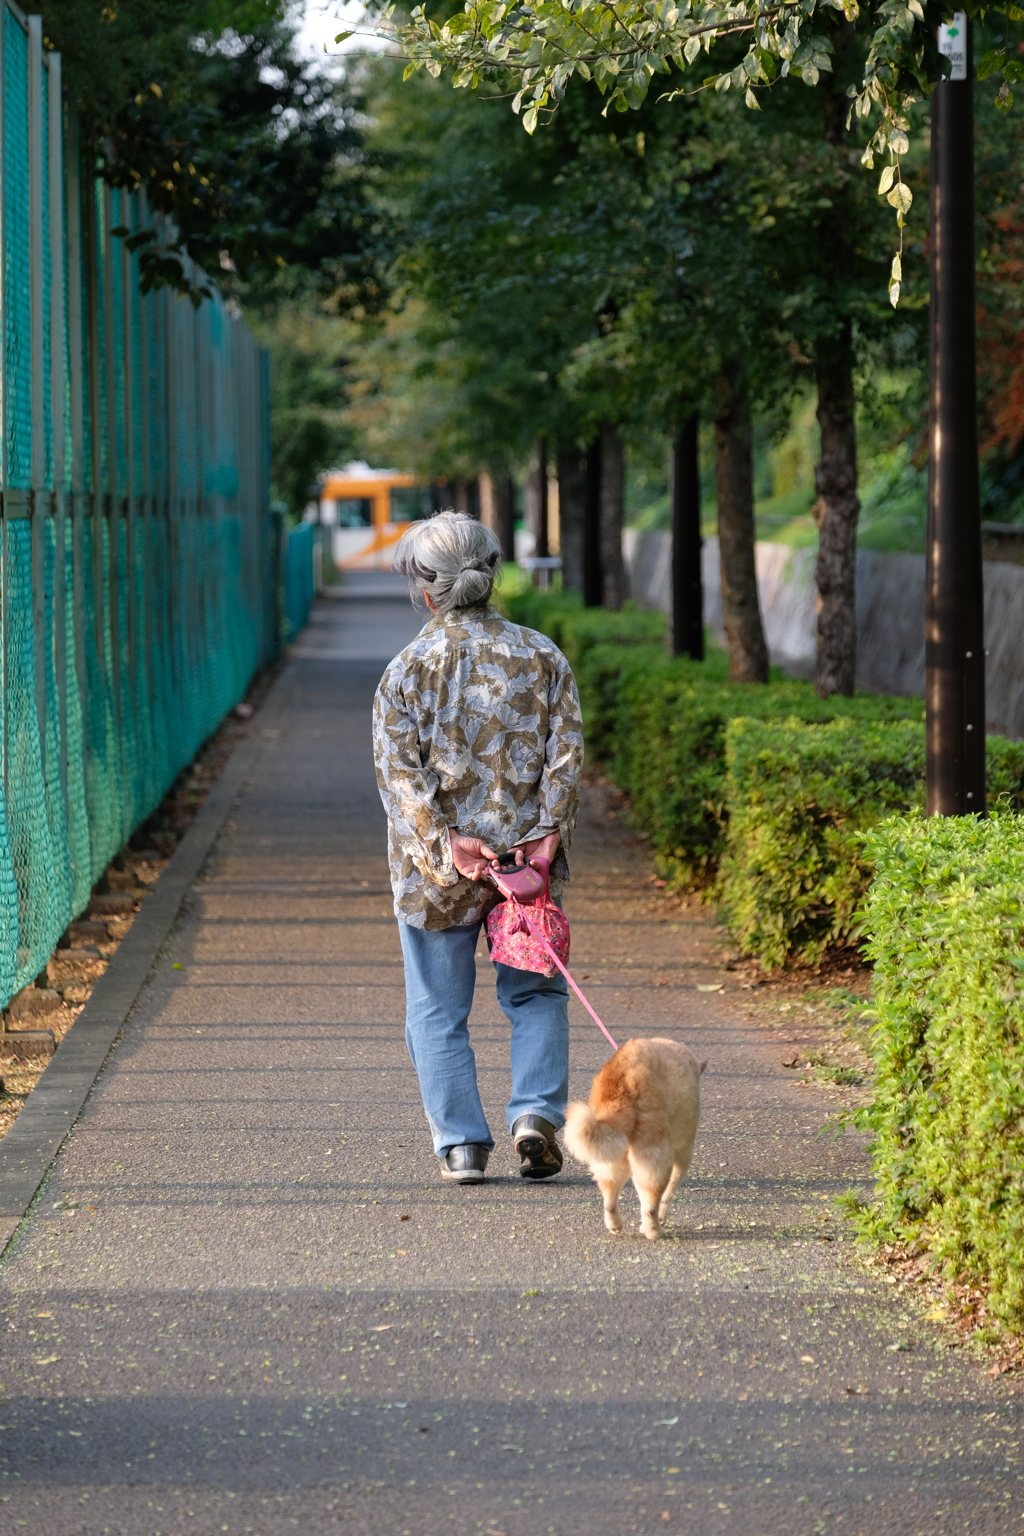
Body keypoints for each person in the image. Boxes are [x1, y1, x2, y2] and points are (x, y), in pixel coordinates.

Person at [372, 510, 584, 1185]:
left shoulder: (406, 671)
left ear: (424, 589)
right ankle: (535, 1115)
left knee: (437, 1009)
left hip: (437, 874)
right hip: (527, 870)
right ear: (491, 573)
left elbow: (401, 778)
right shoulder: (542, 656)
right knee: (536, 996)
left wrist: (448, 842)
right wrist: (544, 837)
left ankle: (463, 1147)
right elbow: (566, 758)